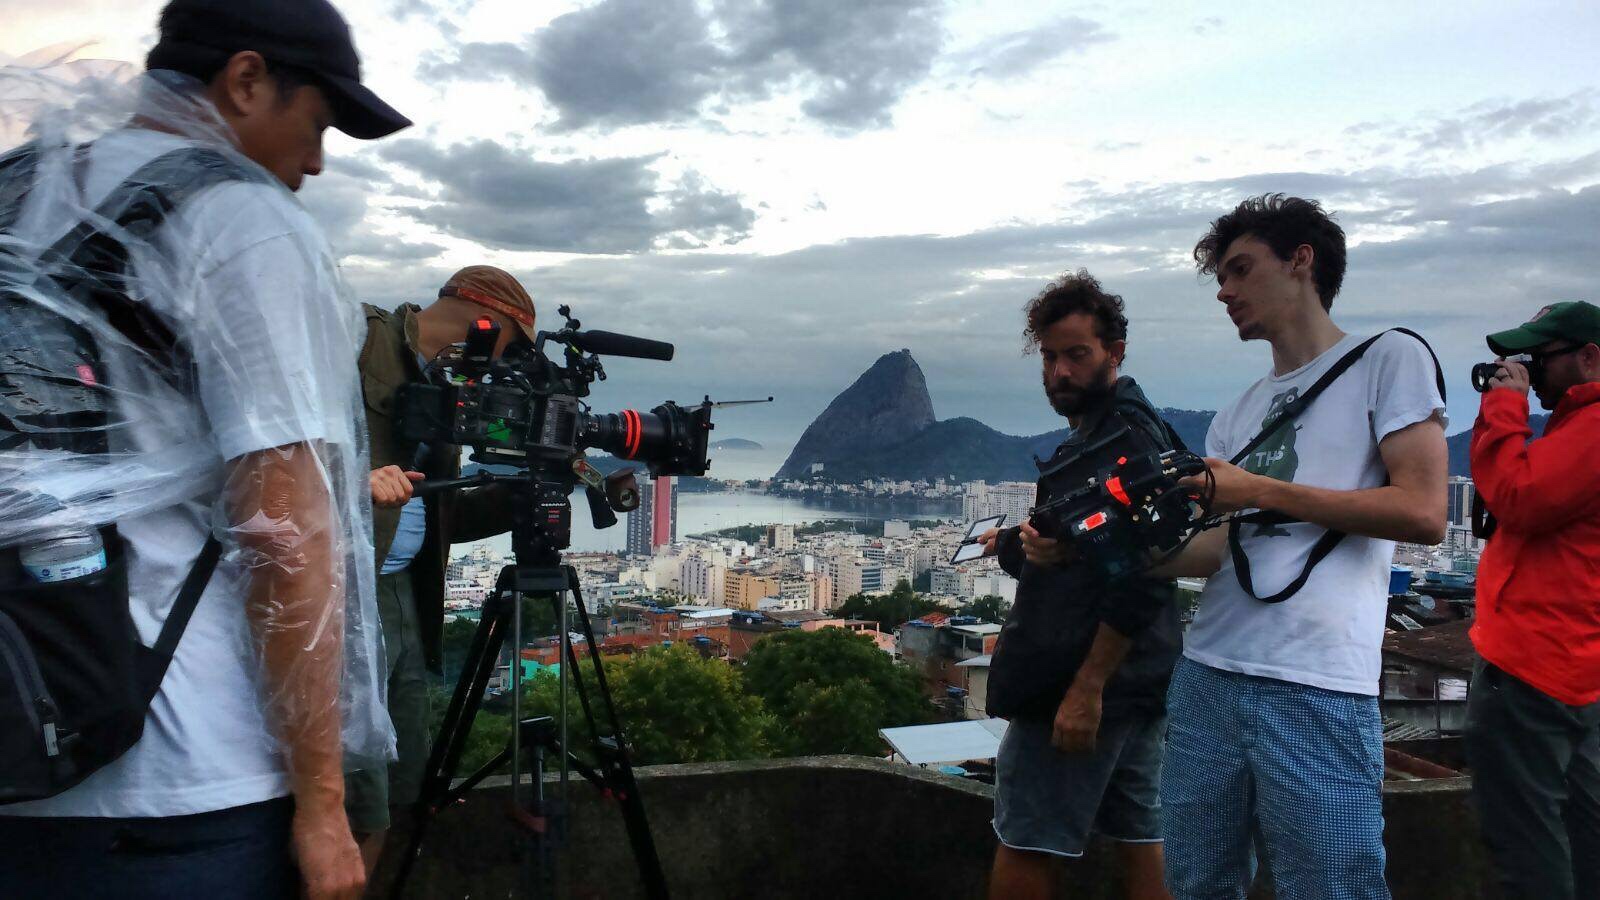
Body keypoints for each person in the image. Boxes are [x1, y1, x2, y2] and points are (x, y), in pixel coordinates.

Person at [0, 1, 409, 898]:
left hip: (14, 740)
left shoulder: (16, 195)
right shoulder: (236, 221)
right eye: (317, 125)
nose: (315, 162)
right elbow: (285, 527)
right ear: (247, 79)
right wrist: (326, 807)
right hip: (180, 782)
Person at [1155, 195, 1447, 899]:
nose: (1224, 291)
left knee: (1332, 887)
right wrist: (1109, 553)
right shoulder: (1237, 412)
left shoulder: (1389, 358)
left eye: (1240, 269)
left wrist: (1259, 489)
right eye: (1221, 277)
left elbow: (1424, 510)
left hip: (1316, 683)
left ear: (1301, 261)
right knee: (1196, 885)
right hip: (1206, 672)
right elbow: (1214, 552)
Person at [981, 271, 1180, 900]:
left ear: (1114, 353)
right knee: (1138, 833)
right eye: (1049, 356)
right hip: (1138, 681)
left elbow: (1145, 574)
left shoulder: (1121, 444)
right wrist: (1021, 546)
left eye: (1077, 354)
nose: (1059, 372)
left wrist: (1085, 690)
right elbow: (1088, 554)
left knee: (1027, 839)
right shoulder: (1113, 432)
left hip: (1078, 680)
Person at [347, 266, 527, 872]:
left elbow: (434, 512)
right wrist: (353, 484)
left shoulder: (450, 389)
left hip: (403, 593)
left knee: (403, 791)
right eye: (517, 348)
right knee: (356, 803)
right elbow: (279, 457)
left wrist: (525, 494)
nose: (512, 365)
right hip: (347, 595)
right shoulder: (357, 338)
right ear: (489, 323)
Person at [1464, 301, 1600, 900]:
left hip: (1535, 663)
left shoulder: (1593, 432)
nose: (1527, 373)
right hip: (1575, 663)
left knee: (1526, 841)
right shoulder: (1575, 429)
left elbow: (1517, 496)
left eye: (1537, 360)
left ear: (1589, 357)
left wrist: (1504, 403)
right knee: (1579, 828)